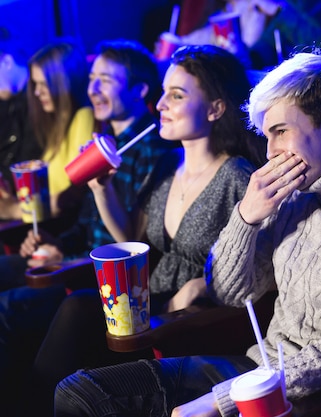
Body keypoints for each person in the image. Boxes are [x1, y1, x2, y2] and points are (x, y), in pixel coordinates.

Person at [54, 49, 321, 417]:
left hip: (306, 391)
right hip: (253, 370)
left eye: (281, 132)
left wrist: (222, 400)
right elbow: (231, 292)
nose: (270, 152)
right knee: (79, 391)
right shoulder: (297, 192)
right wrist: (246, 217)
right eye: (267, 136)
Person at [25, 45, 266, 416]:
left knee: (75, 319)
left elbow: (259, 267)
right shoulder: (170, 165)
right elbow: (131, 241)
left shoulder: (237, 178)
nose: (160, 104)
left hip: (184, 325)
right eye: (163, 93)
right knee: (69, 315)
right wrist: (101, 189)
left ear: (216, 109)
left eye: (177, 95)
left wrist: (206, 284)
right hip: (143, 310)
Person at [0, 39, 176, 416]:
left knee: (9, 309)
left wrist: (69, 254)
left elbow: (135, 244)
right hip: (75, 259)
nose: (93, 89)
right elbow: (82, 226)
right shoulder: (103, 141)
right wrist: (53, 243)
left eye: (106, 81)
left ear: (140, 89)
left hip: (105, 278)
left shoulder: (155, 151)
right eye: (92, 79)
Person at [0, 39, 93, 220]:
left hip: (67, 232)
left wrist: (13, 210)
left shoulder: (84, 116)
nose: (37, 92)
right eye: (35, 84)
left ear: (65, 82)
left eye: (44, 84)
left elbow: (75, 194)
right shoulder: (56, 125)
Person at [169, 0, 321, 70]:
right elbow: (262, 50)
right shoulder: (294, 4)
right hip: (285, 80)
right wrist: (241, 57)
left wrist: (280, 10)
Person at [0, 39, 41, 202]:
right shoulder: (7, 100)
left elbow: (27, 164)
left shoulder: (40, 100)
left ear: (8, 62)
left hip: (28, 199)